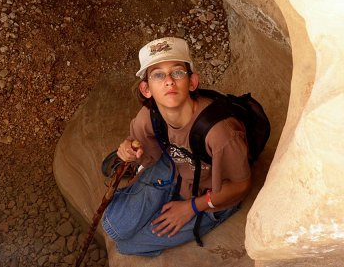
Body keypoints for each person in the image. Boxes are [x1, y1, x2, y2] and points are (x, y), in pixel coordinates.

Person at [101, 37, 251, 256]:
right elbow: (137, 144)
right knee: (113, 227)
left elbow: (240, 186)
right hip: (175, 169)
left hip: (209, 192)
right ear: (146, 89)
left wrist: (191, 207)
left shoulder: (220, 133)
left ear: (192, 82)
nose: (169, 81)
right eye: (158, 75)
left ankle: (172, 200)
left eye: (178, 72)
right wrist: (129, 150)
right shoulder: (150, 116)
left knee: (127, 245)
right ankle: (152, 185)